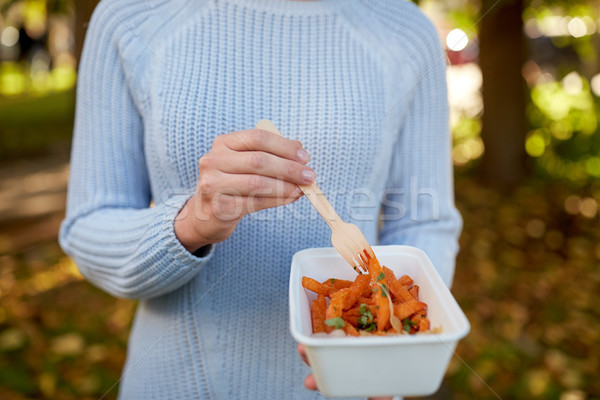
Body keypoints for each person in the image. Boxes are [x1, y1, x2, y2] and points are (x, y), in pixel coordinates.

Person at [59, 0, 462, 398]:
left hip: (355, 386)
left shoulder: (406, 31)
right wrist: (192, 223)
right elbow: (89, 226)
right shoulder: (130, 16)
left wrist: (401, 353)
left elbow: (425, 224)